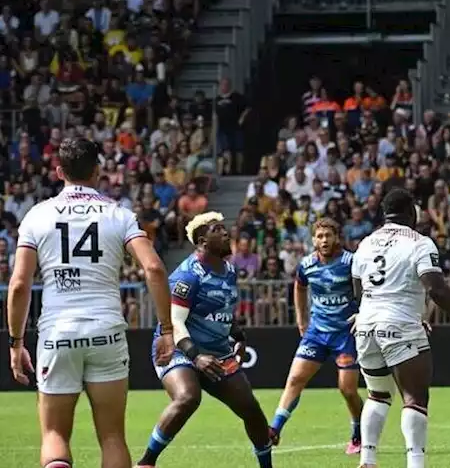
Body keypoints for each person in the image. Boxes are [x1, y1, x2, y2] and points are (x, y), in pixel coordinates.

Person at [6, 137, 175, 468]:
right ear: (98, 171)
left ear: (59, 171)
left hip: (57, 334)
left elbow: (19, 285)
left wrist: (15, 343)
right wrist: (167, 328)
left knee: (54, 435)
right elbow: (154, 268)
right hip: (107, 332)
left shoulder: (37, 216)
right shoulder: (120, 215)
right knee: (112, 437)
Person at [351, 188, 450, 468]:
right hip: (400, 323)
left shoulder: (365, 243)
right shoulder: (419, 243)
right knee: (415, 398)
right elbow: (437, 291)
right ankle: (416, 464)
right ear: (410, 212)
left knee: (378, 395)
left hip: (366, 324)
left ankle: (368, 460)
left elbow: (358, 290)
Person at [138, 211, 276, 468]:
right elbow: (176, 322)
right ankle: (147, 462)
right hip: (179, 349)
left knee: (252, 411)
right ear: (202, 241)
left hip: (217, 353)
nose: (226, 233)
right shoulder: (188, 276)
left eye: (225, 228)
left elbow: (223, 309)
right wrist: (195, 356)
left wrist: (238, 335)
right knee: (188, 397)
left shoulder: (230, 270)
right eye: (218, 230)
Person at [269, 217, 364, 453]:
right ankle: (274, 429)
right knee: (295, 379)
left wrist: (362, 314)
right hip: (316, 333)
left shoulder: (350, 262)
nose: (324, 240)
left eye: (328, 236)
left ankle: (358, 432)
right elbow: (299, 288)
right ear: (313, 239)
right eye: (320, 236)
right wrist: (302, 321)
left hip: (345, 334)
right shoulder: (307, 264)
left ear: (337, 238)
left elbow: (365, 290)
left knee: (348, 390)